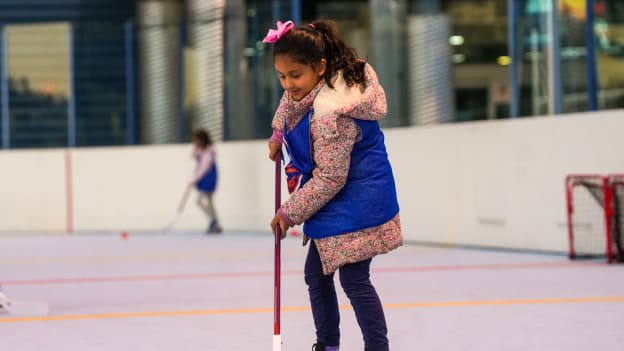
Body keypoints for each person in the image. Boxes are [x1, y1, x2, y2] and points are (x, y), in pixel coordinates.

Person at [264, 19, 402, 351]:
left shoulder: (332, 114)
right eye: (281, 75)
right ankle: (327, 344)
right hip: (341, 198)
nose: (288, 83)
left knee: (354, 279)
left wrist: (288, 212)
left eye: (295, 75)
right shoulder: (316, 85)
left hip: (359, 199)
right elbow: (289, 103)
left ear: (320, 67)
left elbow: (330, 178)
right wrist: (278, 134)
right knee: (317, 274)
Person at [191, 128, 222, 234]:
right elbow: (194, 156)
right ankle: (216, 224)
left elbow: (204, 167)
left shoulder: (209, 151)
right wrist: (195, 148)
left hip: (208, 177)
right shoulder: (200, 149)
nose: (195, 142)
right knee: (209, 202)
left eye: (196, 140)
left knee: (199, 201)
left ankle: (213, 220)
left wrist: (195, 179)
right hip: (204, 177)